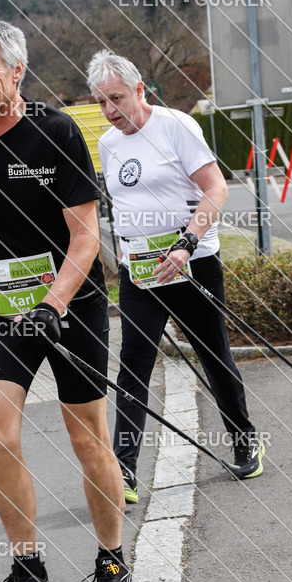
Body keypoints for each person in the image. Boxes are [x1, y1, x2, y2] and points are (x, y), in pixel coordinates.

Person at [0, 19, 132, 582]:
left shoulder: (56, 132)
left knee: (86, 439)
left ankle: (111, 561)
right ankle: (30, 575)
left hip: (71, 306)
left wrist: (53, 304)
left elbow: (84, 237)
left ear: (16, 70)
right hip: (4, 311)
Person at [87, 49, 264, 504]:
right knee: (133, 367)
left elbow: (216, 187)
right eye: (101, 102)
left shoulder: (176, 126)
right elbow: (120, 207)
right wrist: (124, 255)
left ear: (140, 90)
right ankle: (123, 471)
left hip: (192, 263)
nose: (110, 111)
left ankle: (243, 441)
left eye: (117, 99)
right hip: (141, 275)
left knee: (214, 356)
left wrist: (186, 243)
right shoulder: (108, 143)